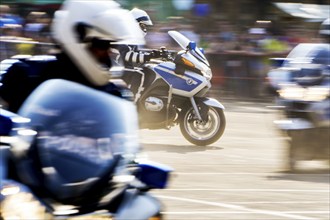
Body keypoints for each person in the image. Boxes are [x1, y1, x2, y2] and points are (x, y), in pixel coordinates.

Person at [0, 0, 145, 113]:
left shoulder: (113, 93)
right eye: (102, 44)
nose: (110, 52)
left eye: (112, 46)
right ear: (79, 36)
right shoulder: (26, 75)